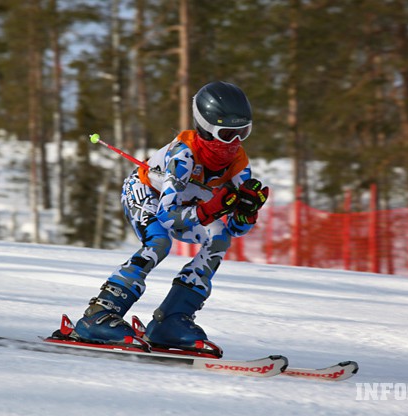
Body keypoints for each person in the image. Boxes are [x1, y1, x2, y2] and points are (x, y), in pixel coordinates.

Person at [56, 81, 269, 356]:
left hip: (188, 206)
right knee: (158, 242)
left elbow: (237, 230)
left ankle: (171, 319)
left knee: (219, 238)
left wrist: (247, 211)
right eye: (227, 134)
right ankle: (99, 314)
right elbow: (167, 217)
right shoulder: (183, 156)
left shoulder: (239, 163)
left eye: (243, 132)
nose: (235, 143)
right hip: (146, 193)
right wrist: (208, 211)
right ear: (206, 129)